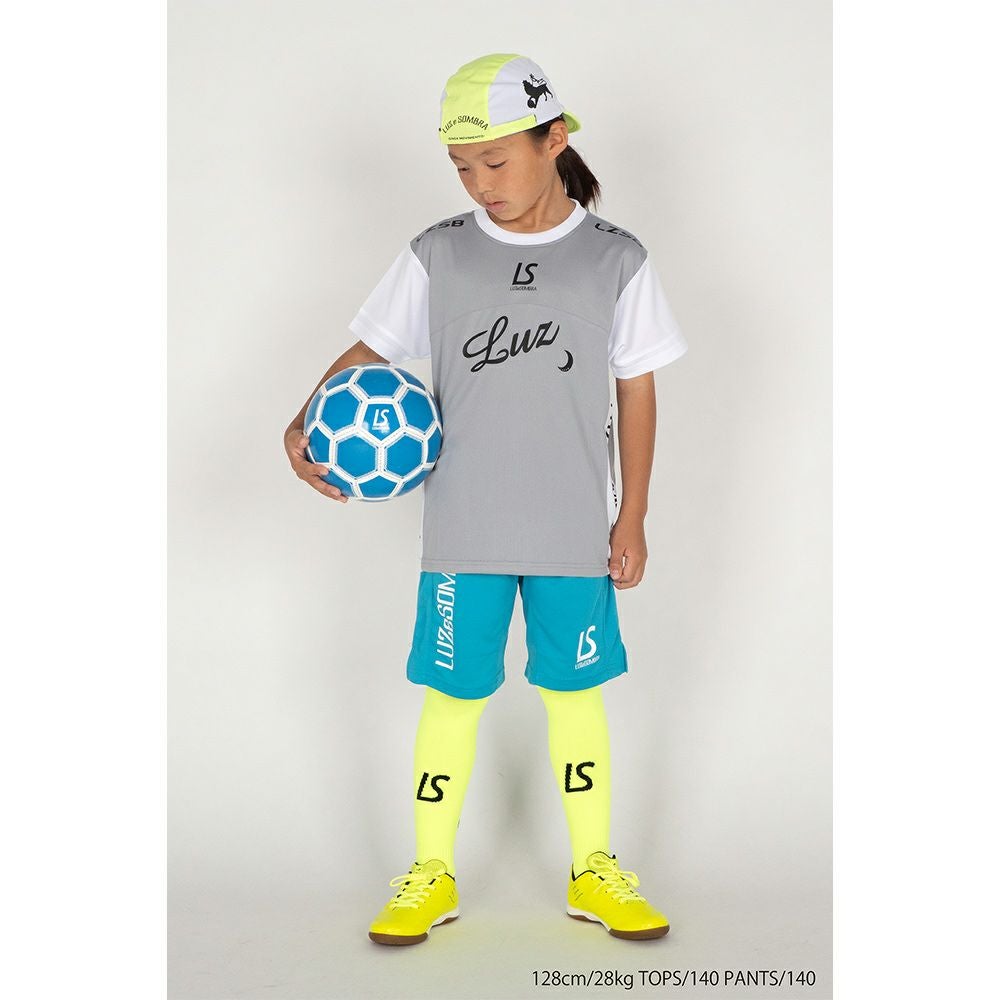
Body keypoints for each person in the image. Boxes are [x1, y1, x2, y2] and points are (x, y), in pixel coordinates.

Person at [283, 53, 689, 945]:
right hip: (463, 530)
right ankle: (430, 871)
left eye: (495, 162)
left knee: (575, 697)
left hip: (572, 533)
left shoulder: (615, 259)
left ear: (555, 139)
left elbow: (637, 389)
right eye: (462, 168)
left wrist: (632, 515)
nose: (480, 184)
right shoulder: (440, 253)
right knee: (452, 698)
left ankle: (593, 868)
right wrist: (305, 415)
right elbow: (372, 348)